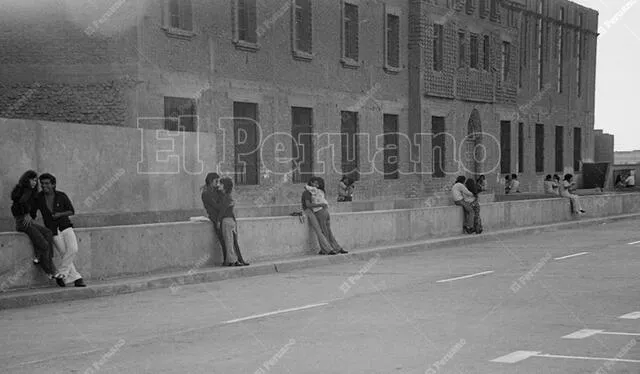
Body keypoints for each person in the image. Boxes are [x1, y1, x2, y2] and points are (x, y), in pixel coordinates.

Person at [31, 173, 86, 287]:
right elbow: (32, 212)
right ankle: (77, 278)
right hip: (52, 230)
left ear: (53, 184)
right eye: (42, 184)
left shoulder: (61, 196)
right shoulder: (39, 197)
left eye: (47, 183)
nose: (44, 186)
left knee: (73, 249)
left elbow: (71, 211)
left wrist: (60, 214)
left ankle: (62, 273)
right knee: (63, 253)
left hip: (65, 226)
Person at [10, 170, 60, 283]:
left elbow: (33, 210)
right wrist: (26, 214)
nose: (34, 182)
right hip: (22, 222)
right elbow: (19, 204)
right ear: (26, 179)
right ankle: (50, 271)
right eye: (32, 179)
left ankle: (40, 256)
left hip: (29, 222)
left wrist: (30, 214)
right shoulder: (23, 190)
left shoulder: (32, 193)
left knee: (48, 233)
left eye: (35, 180)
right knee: (44, 244)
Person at [217, 178, 249, 266]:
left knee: (229, 241)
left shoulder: (225, 197)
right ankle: (235, 260)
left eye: (221, 184)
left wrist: (219, 221)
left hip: (227, 221)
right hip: (231, 220)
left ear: (225, 186)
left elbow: (222, 210)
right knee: (231, 241)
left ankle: (233, 260)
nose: (219, 185)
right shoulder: (228, 196)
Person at [201, 172, 230, 265]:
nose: (217, 183)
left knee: (227, 239)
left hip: (221, 217)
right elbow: (216, 206)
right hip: (215, 218)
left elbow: (223, 199)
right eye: (216, 181)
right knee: (222, 239)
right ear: (211, 181)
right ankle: (226, 260)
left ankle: (229, 259)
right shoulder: (206, 193)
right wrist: (224, 205)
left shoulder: (216, 191)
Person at [314, 177, 347, 254]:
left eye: (316, 183)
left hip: (320, 212)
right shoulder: (322, 191)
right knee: (328, 232)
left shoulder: (315, 191)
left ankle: (327, 249)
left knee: (324, 232)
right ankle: (337, 248)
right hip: (325, 212)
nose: (315, 185)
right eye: (314, 183)